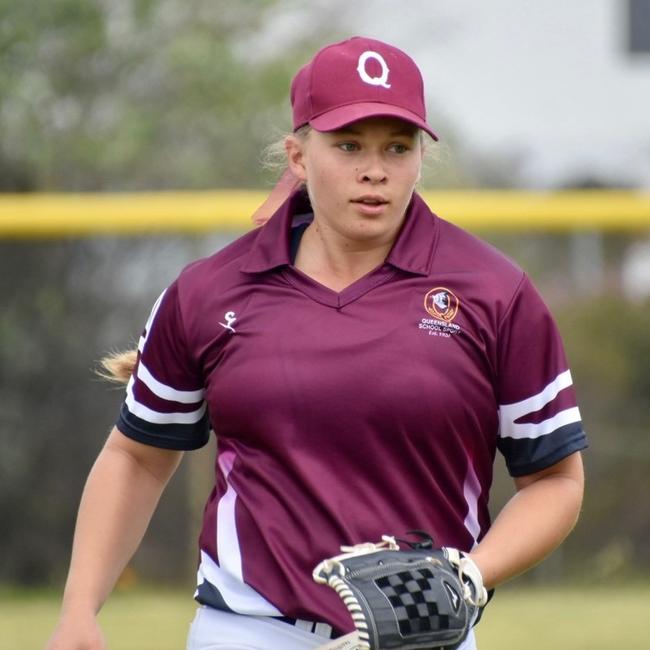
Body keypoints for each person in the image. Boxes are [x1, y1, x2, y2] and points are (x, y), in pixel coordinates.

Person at [46, 36, 587, 650]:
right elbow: (137, 457)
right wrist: (78, 612)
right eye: (349, 145)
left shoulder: (496, 295)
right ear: (298, 155)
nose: (375, 170)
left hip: (422, 638)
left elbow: (555, 481)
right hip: (246, 632)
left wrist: (467, 577)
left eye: (397, 147)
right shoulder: (209, 291)